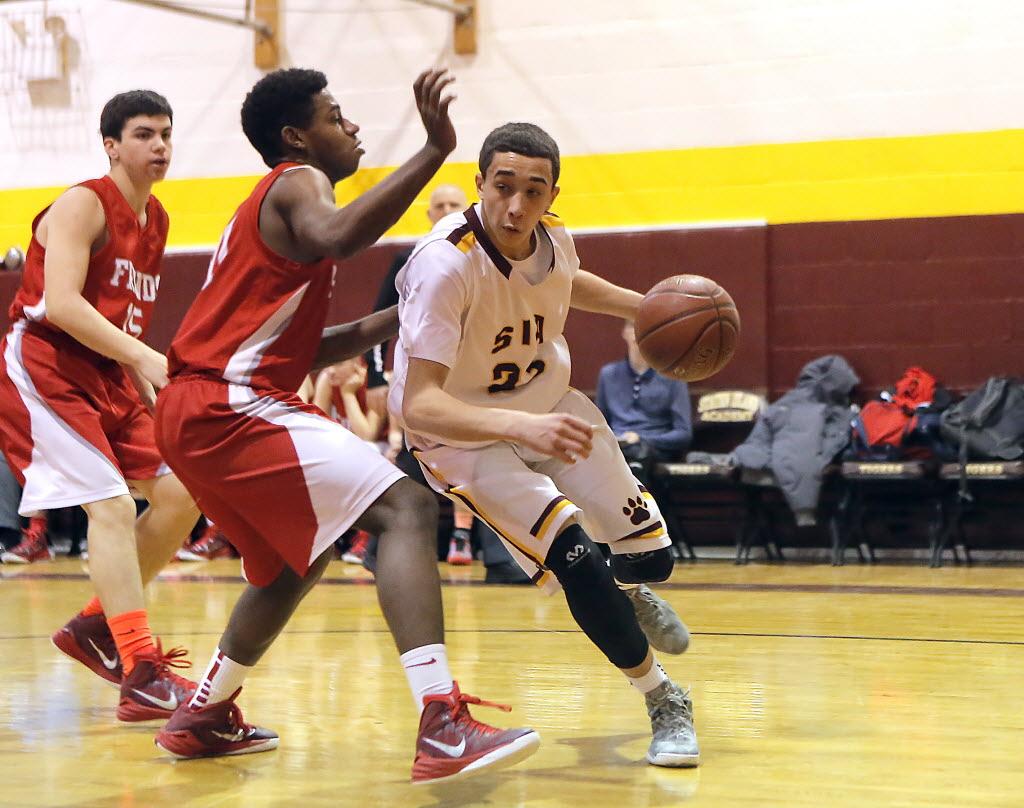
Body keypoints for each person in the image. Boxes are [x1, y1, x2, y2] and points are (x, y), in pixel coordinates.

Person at [151, 67, 538, 784]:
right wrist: (432, 151)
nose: (352, 127)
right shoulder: (299, 182)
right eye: (336, 115)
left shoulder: (272, 213)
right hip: (229, 403)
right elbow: (343, 236)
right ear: (296, 137)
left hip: (198, 407)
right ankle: (443, 723)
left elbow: (307, 346)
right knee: (407, 507)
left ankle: (204, 712)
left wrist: (405, 311)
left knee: (298, 560)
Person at [390, 122, 700, 768]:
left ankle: (633, 593)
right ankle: (663, 698)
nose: (517, 206)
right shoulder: (445, 263)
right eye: (503, 187)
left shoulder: (554, 238)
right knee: (576, 558)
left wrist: (646, 310)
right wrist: (516, 428)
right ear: (480, 184)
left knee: (651, 560)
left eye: (534, 191)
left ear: (554, 193)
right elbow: (418, 402)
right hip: (461, 437)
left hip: (550, 406)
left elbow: (566, 284)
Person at [0, 90, 200, 719]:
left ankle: (94, 626)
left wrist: (137, 365)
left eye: (166, 134)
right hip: (46, 364)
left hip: (106, 371)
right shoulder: (82, 203)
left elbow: (121, 311)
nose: (160, 146)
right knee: (111, 506)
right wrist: (143, 357)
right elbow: (61, 302)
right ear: (112, 145)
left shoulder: (159, 220)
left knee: (180, 495)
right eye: (144, 135)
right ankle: (140, 669)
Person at [365, 184, 477, 566]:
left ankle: (498, 557)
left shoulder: (488, 259)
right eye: (439, 205)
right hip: (424, 384)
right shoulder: (409, 259)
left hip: (476, 383)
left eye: (454, 204)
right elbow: (378, 322)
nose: (446, 209)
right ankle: (382, 554)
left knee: (486, 462)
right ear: (430, 215)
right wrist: (376, 378)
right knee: (414, 463)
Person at [597, 322, 693, 464]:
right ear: (624, 332)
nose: (639, 332)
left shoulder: (673, 376)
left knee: (638, 454)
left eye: (646, 327)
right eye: (633, 326)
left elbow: (683, 434)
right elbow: (600, 425)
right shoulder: (608, 374)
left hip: (653, 449)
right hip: (617, 447)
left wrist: (641, 438)